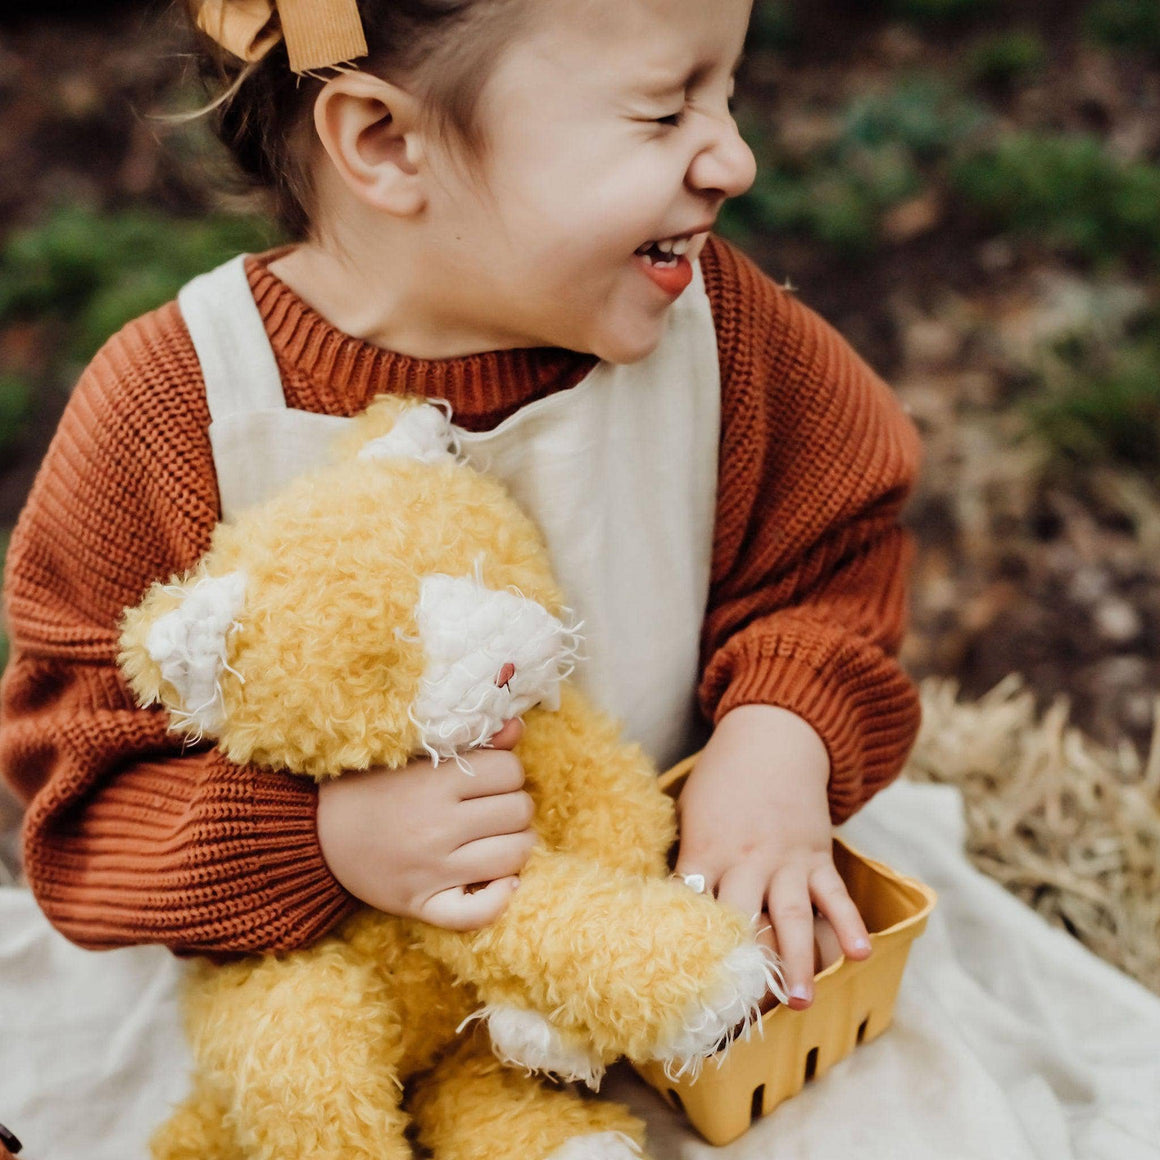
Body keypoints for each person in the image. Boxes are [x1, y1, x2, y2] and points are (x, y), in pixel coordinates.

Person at [0, 0, 921, 1018]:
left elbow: (834, 559)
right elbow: (74, 785)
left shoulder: (726, 336)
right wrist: (314, 839)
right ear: (388, 143)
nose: (733, 160)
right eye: (665, 113)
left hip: (682, 980)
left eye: (727, 92)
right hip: (348, 1024)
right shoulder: (183, 406)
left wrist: (783, 726)